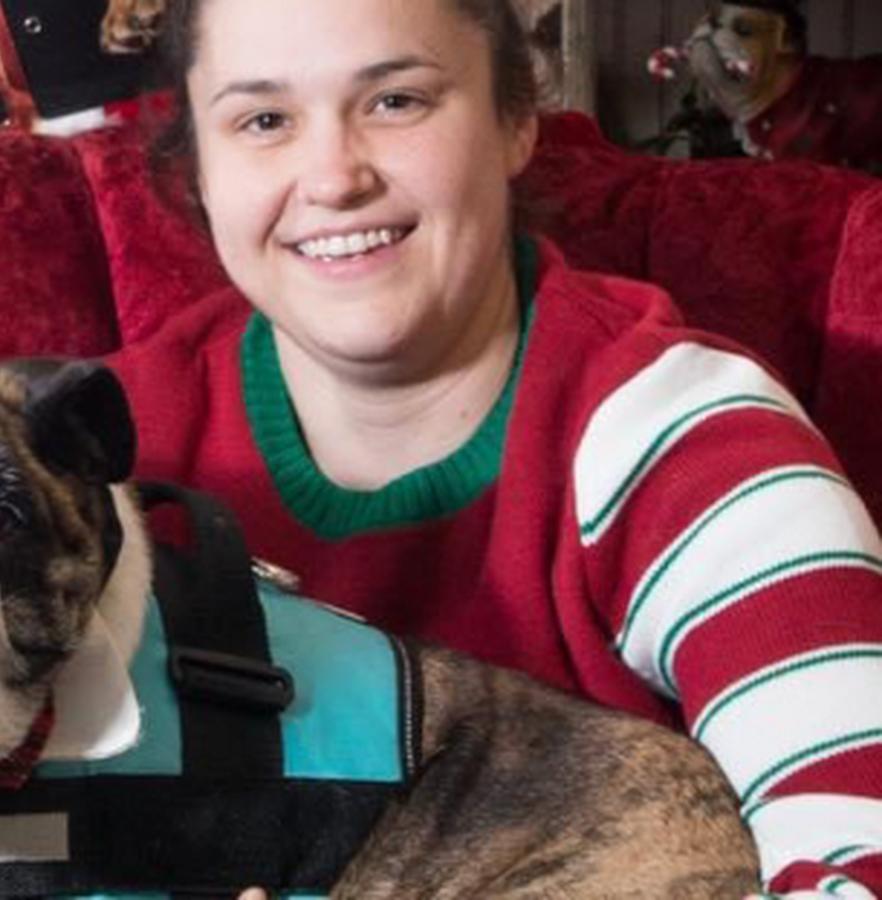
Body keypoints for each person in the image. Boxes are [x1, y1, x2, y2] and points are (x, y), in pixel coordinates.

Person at [107, 0, 882, 895]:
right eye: (264, 120)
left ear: (516, 120)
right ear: (200, 169)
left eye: (396, 100)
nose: (333, 177)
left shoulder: (683, 438)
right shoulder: (92, 451)